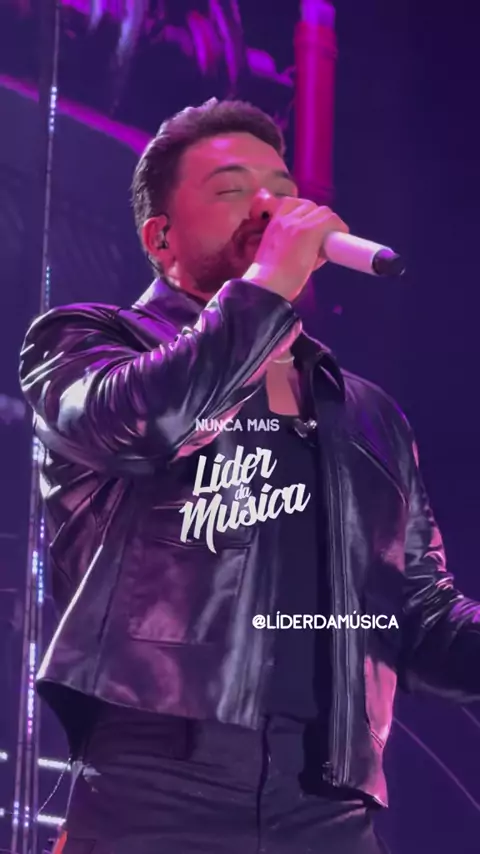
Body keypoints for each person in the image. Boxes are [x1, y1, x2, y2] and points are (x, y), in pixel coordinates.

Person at [19, 98, 480, 854]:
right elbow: (142, 424)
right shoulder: (88, 343)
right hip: (155, 783)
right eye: (233, 189)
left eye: (282, 188)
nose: (270, 206)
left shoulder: (369, 416)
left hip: (328, 801)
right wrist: (264, 287)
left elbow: (417, 615)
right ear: (160, 238)